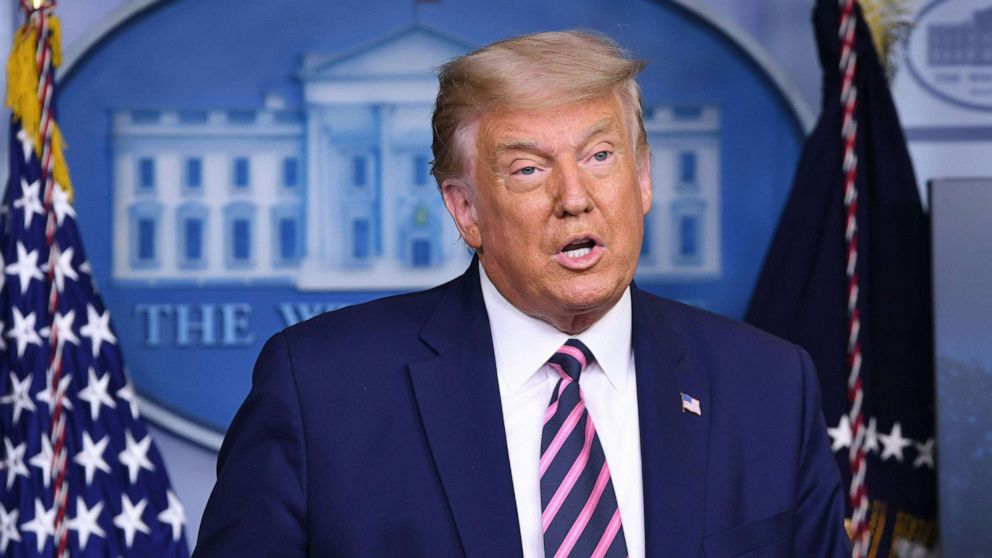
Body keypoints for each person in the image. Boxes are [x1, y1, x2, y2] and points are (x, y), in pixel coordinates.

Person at [194, 31, 851, 557]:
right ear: (465, 210)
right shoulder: (320, 389)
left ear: (644, 179)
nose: (575, 198)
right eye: (529, 169)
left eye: (600, 157)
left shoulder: (768, 385)